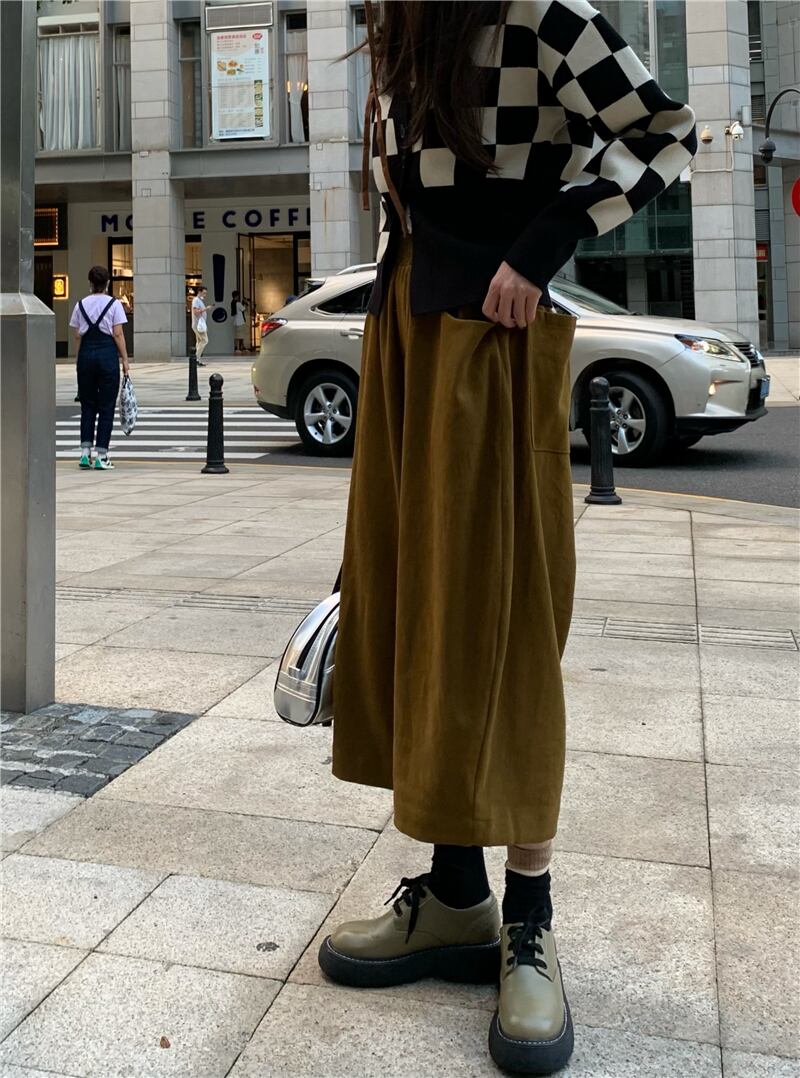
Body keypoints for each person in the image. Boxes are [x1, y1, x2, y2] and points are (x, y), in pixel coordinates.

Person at [323, 2, 697, 1074]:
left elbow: (662, 131)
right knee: (419, 605)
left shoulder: (540, 12)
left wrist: (539, 250)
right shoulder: (404, 23)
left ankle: (527, 917)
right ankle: (454, 895)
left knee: (508, 621)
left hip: (492, 335)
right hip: (406, 326)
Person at [69, 266, 130, 471]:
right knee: (106, 406)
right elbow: (118, 334)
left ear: (90, 283)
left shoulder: (80, 305)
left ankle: (85, 453)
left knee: (87, 405)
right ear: (107, 284)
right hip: (107, 356)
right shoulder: (114, 304)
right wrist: (125, 359)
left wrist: (78, 358)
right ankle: (102, 455)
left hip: (86, 355)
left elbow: (78, 335)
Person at [191, 285, 214, 366]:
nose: (205, 295)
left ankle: (197, 360)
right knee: (204, 340)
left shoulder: (199, 301)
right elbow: (195, 312)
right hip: (198, 325)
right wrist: (206, 308)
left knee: (199, 342)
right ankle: (196, 358)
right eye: (204, 293)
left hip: (200, 325)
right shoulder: (196, 300)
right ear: (199, 292)